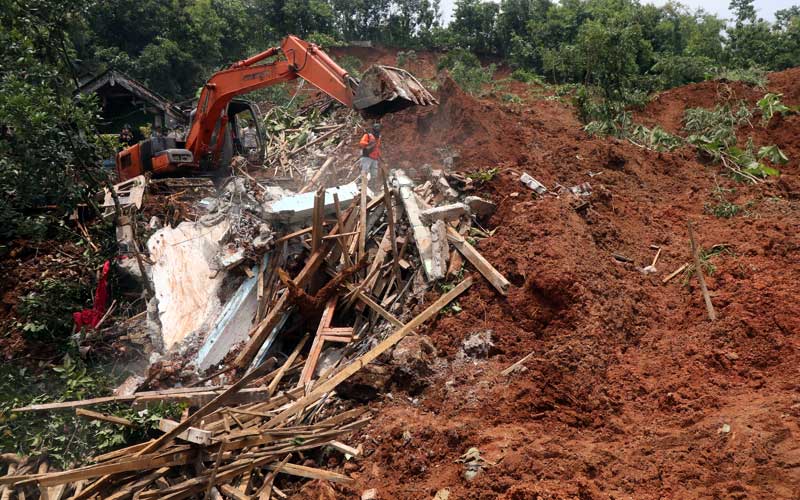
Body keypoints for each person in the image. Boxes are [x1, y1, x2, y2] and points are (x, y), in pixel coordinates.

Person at [358, 122, 382, 187]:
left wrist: (379, 156)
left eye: (379, 128)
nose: (378, 129)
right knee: (364, 172)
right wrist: (369, 144)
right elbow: (361, 143)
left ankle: (372, 186)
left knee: (374, 174)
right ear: (373, 129)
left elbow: (377, 147)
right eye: (376, 128)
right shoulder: (367, 135)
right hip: (367, 157)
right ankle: (360, 186)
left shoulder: (378, 137)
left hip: (375, 158)